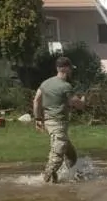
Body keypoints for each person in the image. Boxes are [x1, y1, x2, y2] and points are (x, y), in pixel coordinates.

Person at [33, 56, 86, 184]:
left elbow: (36, 100)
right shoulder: (65, 86)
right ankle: (44, 182)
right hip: (58, 124)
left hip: (49, 122)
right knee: (57, 157)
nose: (71, 72)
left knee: (71, 154)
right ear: (66, 69)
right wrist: (83, 101)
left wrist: (38, 119)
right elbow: (77, 104)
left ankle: (73, 177)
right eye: (70, 69)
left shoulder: (45, 83)